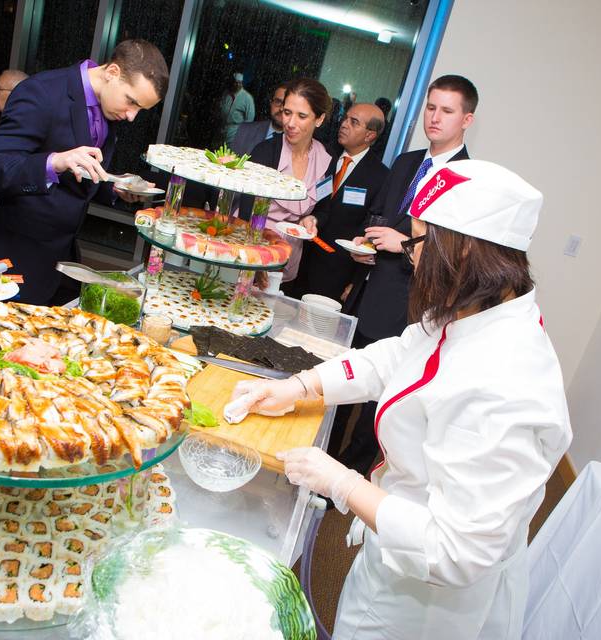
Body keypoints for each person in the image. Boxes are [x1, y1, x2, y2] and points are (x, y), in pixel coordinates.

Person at [228, 159, 572, 639]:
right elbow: (395, 357)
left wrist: (343, 484)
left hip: (428, 606)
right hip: (395, 542)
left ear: (464, 248)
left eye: (417, 241)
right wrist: (300, 387)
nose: (410, 256)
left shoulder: (507, 385)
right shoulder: (477, 310)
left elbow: (453, 551)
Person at [335, 74, 477, 476]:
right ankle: (324, 456)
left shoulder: (469, 180)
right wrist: (366, 243)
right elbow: (378, 214)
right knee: (347, 377)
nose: (434, 118)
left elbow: (459, 253)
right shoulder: (406, 162)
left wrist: (406, 245)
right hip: (368, 289)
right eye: (431, 108)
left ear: (467, 120)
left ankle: (348, 476)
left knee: (379, 399)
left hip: (411, 303)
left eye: (446, 111)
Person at [0, 39, 169, 305]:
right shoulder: (42, 92)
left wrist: (113, 186)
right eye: (131, 102)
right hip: (16, 259)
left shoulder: (110, 107)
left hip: (63, 261)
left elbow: (76, 180)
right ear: (112, 73)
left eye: (140, 110)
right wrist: (53, 162)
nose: (132, 116)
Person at [288, 102, 388, 301]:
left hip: (335, 273)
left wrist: (355, 281)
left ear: (370, 135)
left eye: (354, 122)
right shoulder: (323, 156)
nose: (344, 125)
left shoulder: (381, 177)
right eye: (345, 118)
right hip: (299, 256)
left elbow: (369, 230)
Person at [238, 78, 332, 283]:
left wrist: (312, 219)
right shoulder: (265, 152)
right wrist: (255, 261)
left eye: (302, 116)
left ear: (319, 119)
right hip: (251, 250)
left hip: (288, 258)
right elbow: (246, 211)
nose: (290, 123)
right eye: (287, 113)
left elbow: (324, 210)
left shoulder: (325, 160)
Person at [230, 81, 286, 157]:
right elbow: (231, 164)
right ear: (271, 103)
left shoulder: (301, 144)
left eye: (287, 104)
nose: (282, 108)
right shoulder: (245, 131)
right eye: (278, 102)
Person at [220, 72, 255, 145]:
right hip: (222, 129)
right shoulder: (226, 94)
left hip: (236, 131)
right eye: (235, 83)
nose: (237, 85)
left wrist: (242, 134)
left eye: (239, 83)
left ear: (242, 84)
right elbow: (221, 108)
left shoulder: (247, 98)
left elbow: (249, 119)